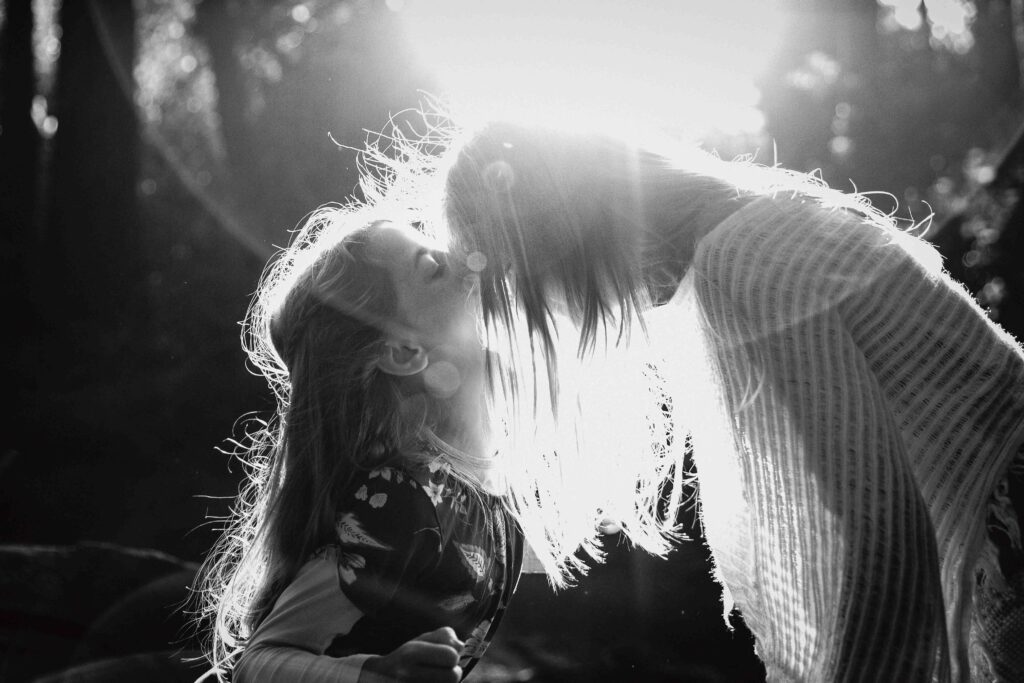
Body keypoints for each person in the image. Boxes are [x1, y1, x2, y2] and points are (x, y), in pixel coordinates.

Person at [436, 120, 1024, 682]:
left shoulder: (742, 257)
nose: (545, 309)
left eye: (513, 276)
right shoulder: (746, 233)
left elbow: (878, 534)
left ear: (558, 235)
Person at [194, 199, 523, 683]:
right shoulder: (394, 503)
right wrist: (377, 675)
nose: (458, 253)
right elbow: (257, 662)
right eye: (432, 266)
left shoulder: (490, 478)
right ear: (404, 350)